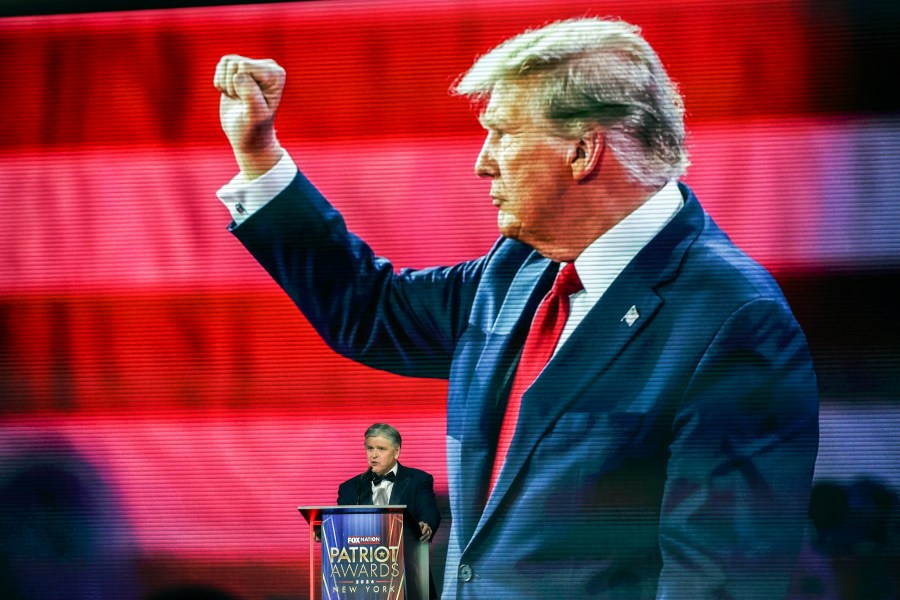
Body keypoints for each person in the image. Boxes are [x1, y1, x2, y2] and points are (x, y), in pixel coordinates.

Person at [213, 17, 819, 599]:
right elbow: (371, 312)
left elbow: (717, 582)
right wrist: (259, 156)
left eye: (501, 132)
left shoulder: (734, 321)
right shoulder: (518, 269)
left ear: (583, 152)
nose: (482, 161)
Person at [336, 423, 441, 544]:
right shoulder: (350, 487)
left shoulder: (418, 480)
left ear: (396, 452)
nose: (374, 455)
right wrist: (321, 531)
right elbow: (339, 524)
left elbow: (429, 512)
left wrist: (426, 524)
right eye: (370, 448)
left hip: (406, 556)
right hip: (361, 558)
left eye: (381, 449)